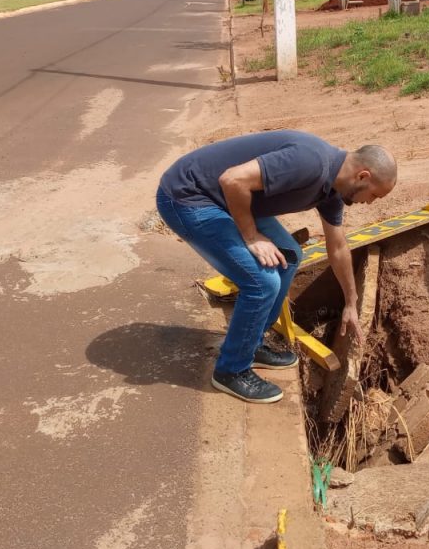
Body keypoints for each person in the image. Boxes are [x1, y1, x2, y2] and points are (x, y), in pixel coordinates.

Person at [156, 130, 397, 404]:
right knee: (261, 282)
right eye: (375, 195)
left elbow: (338, 246)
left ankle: (252, 344)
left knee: (290, 255)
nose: (370, 203)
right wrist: (251, 236)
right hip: (188, 197)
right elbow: (232, 179)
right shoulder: (310, 162)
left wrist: (351, 302)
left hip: (228, 198)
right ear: (363, 176)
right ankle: (230, 371)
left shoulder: (332, 189)